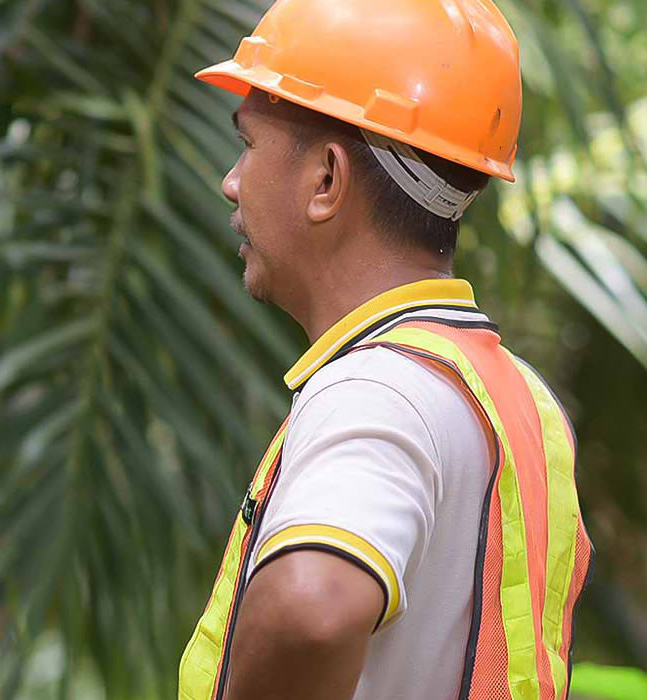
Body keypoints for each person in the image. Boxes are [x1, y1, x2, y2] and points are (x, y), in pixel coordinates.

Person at [176, 1, 593, 699]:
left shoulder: (378, 390)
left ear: (327, 181)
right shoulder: (516, 399)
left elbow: (311, 609)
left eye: (247, 145)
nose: (232, 181)